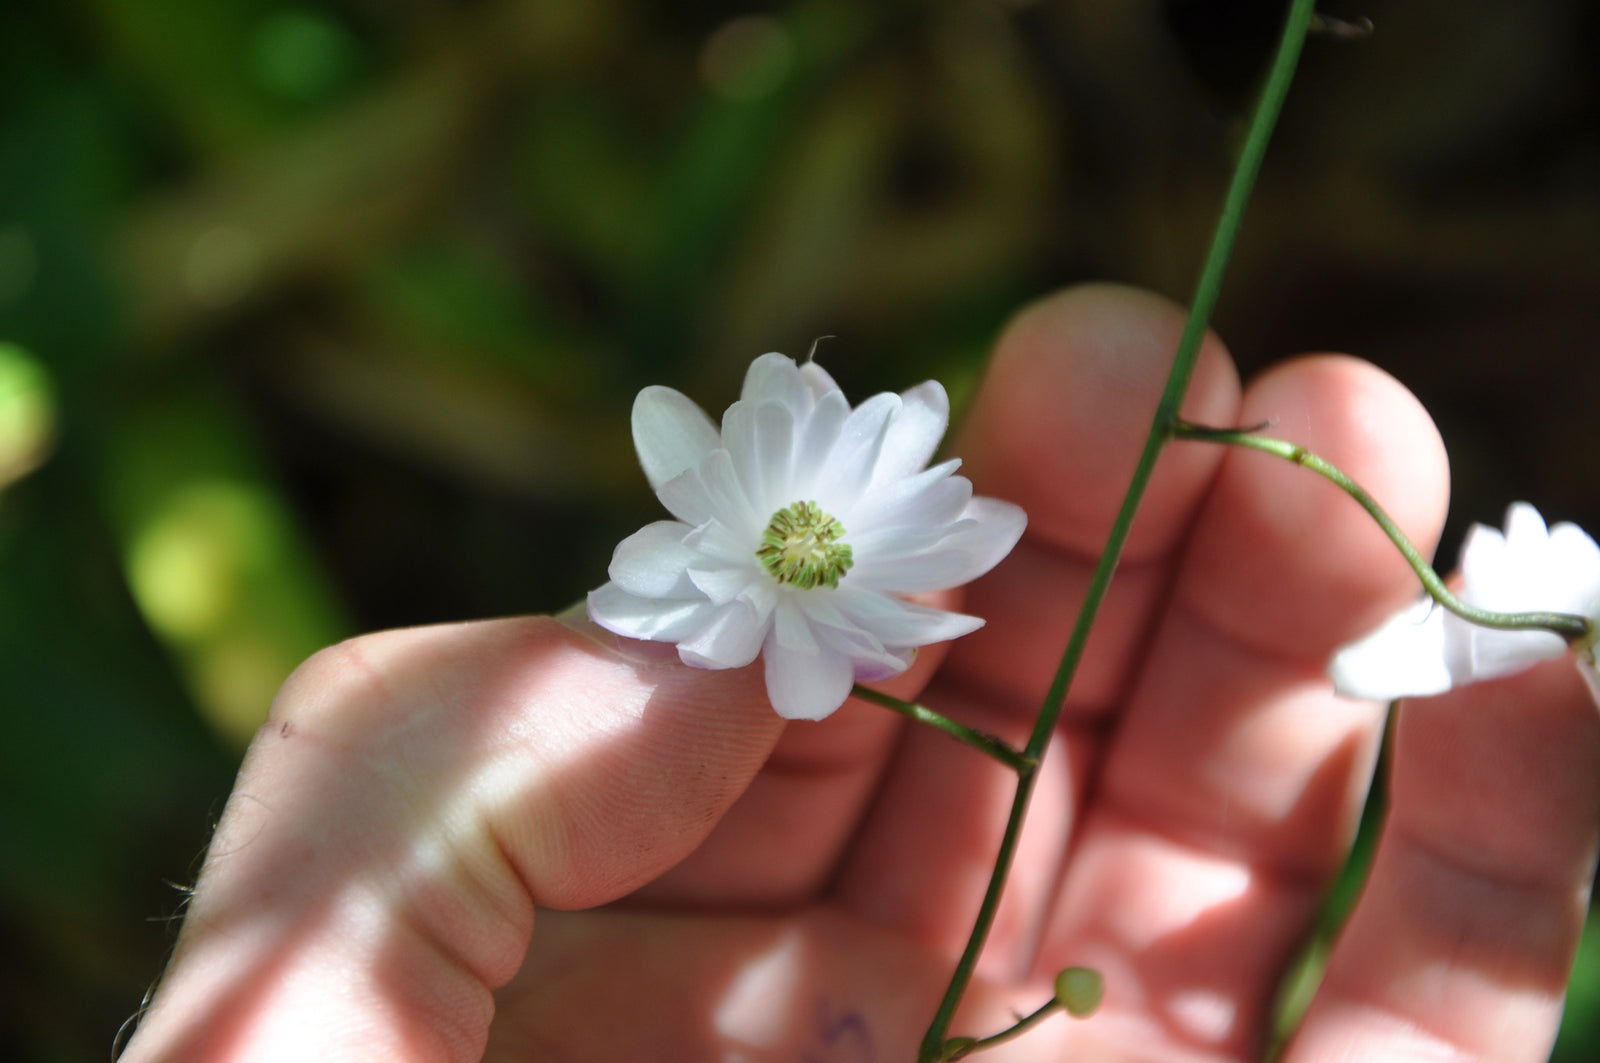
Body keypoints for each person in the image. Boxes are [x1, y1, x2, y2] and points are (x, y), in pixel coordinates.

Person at [117, 285, 1599, 1062]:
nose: (810, 543)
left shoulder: (849, 588)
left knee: (1163, 406)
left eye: (820, 540)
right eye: (805, 537)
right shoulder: (737, 571)